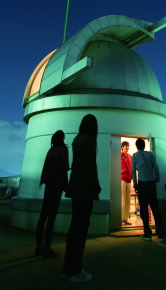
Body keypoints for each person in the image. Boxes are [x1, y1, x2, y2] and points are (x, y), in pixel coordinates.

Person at [63, 114, 101, 283]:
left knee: (74, 229)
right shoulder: (90, 139)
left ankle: (67, 268)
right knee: (81, 230)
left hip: (75, 187)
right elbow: (91, 165)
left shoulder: (77, 139)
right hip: (85, 189)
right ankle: (76, 270)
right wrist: (96, 185)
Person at [35, 129, 69, 258]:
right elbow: (64, 168)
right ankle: (47, 247)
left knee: (43, 215)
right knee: (51, 217)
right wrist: (66, 186)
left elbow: (46, 168)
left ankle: (38, 245)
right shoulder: (63, 150)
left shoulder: (51, 150)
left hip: (48, 186)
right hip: (57, 186)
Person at [132, 138, 165, 241]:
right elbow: (156, 167)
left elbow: (133, 171)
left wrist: (135, 184)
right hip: (151, 183)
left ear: (137, 146)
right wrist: (157, 178)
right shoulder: (150, 155)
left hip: (142, 184)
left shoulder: (135, 156)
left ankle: (147, 233)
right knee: (155, 208)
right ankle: (161, 234)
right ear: (144, 145)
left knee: (144, 209)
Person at [121, 141, 132, 225]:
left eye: (128, 146)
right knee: (123, 200)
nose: (127, 148)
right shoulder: (120, 156)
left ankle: (126, 219)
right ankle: (122, 219)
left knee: (128, 200)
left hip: (129, 179)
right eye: (126, 146)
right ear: (122, 147)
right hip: (122, 179)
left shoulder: (129, 156)